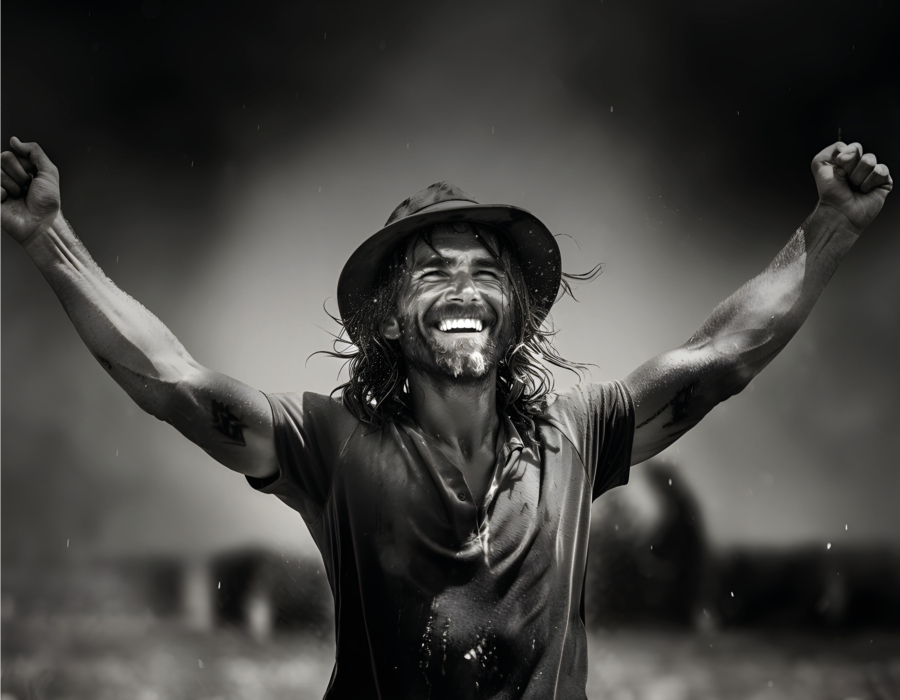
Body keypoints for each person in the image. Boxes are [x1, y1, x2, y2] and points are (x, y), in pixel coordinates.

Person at [0, 136, 892, 699]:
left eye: (484, 269)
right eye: (431, 271)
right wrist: (51, 240)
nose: (462, 284)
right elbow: (174, 383)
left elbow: (719, 362)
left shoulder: (576, 430)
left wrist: (832, 229)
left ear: (515, 316)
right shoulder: (333, 443)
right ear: (390, 318)